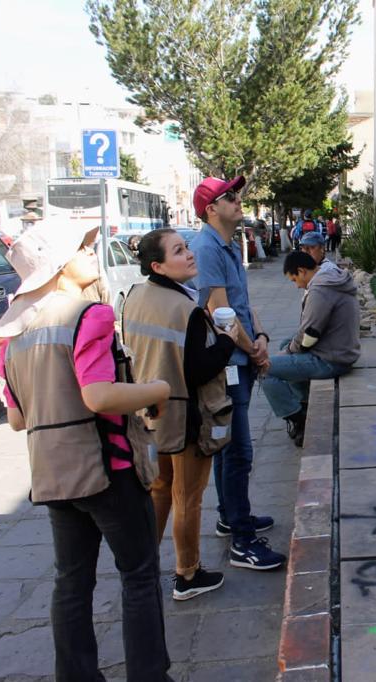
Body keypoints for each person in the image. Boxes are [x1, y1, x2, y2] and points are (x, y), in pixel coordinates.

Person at [0, 218, 173, 681]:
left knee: (71, 583)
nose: (93, 253)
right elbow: (98, 395)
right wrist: (156, 388)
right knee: (138, 575)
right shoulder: (87, 315)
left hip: (52, 476)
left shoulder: (14, 335)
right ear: (57, 266)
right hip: (106, 466)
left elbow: (16, 419)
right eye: (82, 248)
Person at [124, 228, 239, 600]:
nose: (189, 254)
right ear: (157, 265)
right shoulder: (185, 310)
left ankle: (141, 564)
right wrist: (227, 340)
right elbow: (199, 370)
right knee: (187, 497)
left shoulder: (135, 296)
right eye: (179, 251)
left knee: (159, 490)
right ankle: (187, 574)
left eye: (186, 247)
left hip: (148, 414)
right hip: (184, 416)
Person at [188, 176, 286, 571]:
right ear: (211, 208)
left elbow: (243, 304)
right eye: (229, 196)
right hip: (228, 362)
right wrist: (253, 350)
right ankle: (243, 542)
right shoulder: (207, 248)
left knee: (232, 448)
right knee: (238, 450)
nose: (238, 200)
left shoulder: (229, 244)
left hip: (242, 354)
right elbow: (220, 313)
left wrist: (260, 336)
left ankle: (231, 517)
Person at [260, 251, 361, 446]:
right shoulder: (330, 279)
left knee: (265, 369)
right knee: (285, 345)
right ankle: (304, 402)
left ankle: (298, 419)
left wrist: (287, 354)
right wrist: (288, 349)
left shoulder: (320, 290)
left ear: (302, 271)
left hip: (332, 360)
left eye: (294, 279)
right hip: (342, 350)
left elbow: (309, 334)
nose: (297, 285)